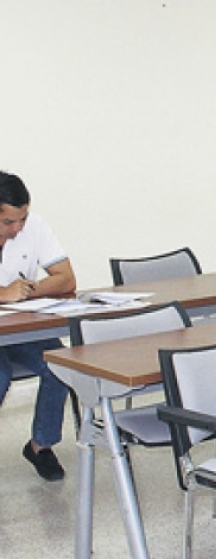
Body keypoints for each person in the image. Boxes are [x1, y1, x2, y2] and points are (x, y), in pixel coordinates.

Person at [0, 171, 76, 481]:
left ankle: (39, 446)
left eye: (22, 219)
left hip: (20, 331)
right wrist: (3, 294)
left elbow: (67, 278)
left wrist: (28, 290)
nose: (18, 229)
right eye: (8, 223)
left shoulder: (35, 227)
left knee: (59, 365)